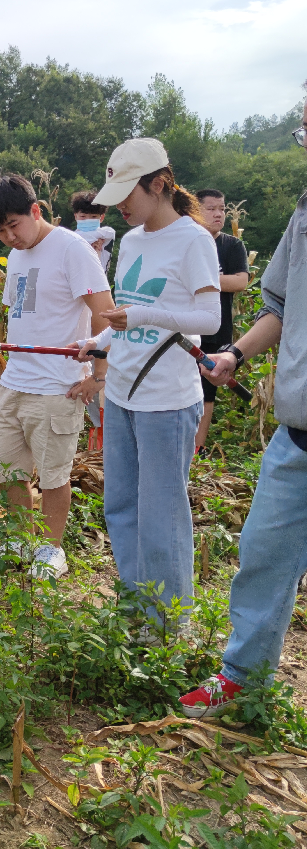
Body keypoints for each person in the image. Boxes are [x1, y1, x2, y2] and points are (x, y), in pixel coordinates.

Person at [179, 102, 307, 717]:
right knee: (261, 553)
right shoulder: (305, 214)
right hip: (298, 435)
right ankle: (243, 678)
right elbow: (278, 304)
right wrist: (235, 353)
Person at [78, 138, 220, 637]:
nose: (119, 203)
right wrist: (97, 339)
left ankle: (173, 624)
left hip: (167, 399)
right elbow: (126, 319)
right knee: (120, 506)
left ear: (158, 183)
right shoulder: (133, 240)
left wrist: (140, 314)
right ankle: (139, 612)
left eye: (126, 192)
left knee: (163, 514)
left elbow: (209, 317)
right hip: (121, 391)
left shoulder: (193, 240)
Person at [0, 174, 114, 577]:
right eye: (0, 231)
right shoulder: (17, 256)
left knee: (54, 476)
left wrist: (98, 375)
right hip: (14, 381)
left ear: (36, 211)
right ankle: (19, 542)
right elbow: (19, 314)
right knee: (6, 472)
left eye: (14, 225)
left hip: (58, 385)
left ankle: (51, 549)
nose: (8, 237)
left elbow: (105, 315)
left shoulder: (72, 250)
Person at [193, 189, 250, 455]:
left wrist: (197, 281)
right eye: (211, 208)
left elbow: (240, 281)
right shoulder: (187, 241)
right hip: (183, 328)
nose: (218, 214)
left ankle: (197, 449)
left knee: (207, 391)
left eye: (222, 209)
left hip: (216, 329)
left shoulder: (231, 245)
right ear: (195, 209)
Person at [71, 190, 117, 274]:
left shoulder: (107, 233)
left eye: (93, 216)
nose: (88, 220)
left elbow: (111, 232)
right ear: (75, 216)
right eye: (83, 216)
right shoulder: (71, 238)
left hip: (100, 281)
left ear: (101, 217)